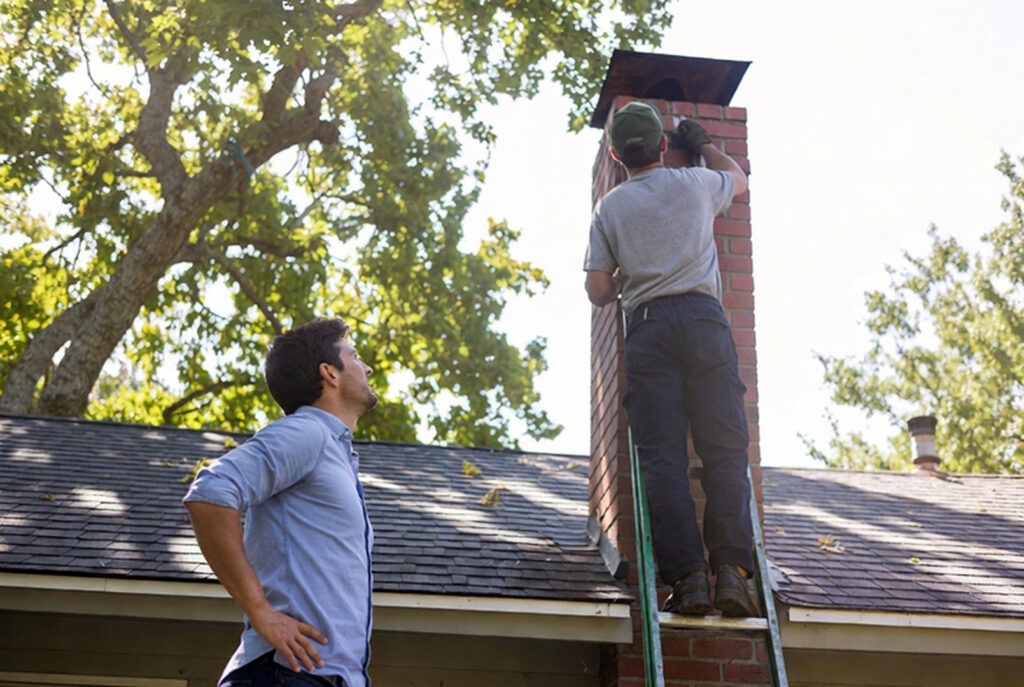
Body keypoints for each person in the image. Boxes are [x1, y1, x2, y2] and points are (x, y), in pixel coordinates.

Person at [583, 101, 758, 617]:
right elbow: (739, 178)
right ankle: (731, 572)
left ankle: (688, 581)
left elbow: (597, 291)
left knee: (664, 460)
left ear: (616, 155)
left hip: (648, 328)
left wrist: (630, 271)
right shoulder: (696, 184)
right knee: (725, 450)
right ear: (663, 145)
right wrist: (702, 142)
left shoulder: (609, 208)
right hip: (705, 322)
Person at [184, 317, 377, 686]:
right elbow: (211, 492)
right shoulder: (308, 432)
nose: (366, 367)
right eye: (354, 356)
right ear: (329, 373)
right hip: (284, 676)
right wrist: (260, 612)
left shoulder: (334, 452)